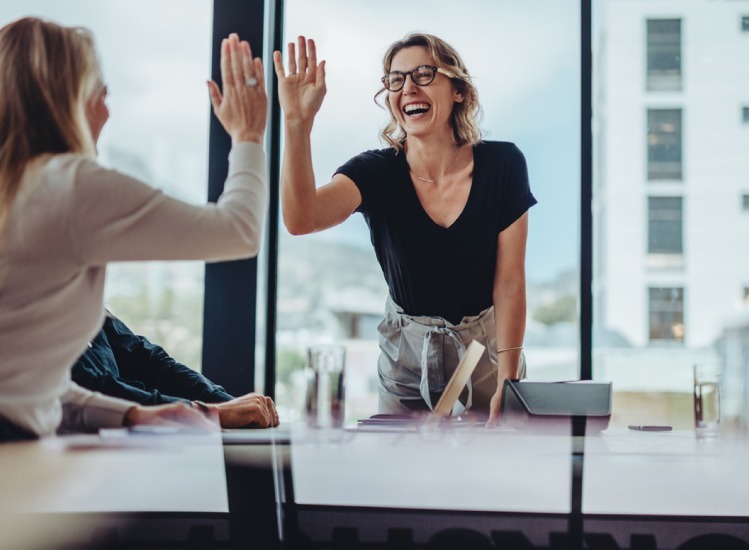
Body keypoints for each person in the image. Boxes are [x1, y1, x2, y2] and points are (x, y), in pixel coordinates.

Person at [0, 17, 269, 442]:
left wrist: (129, 414)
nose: (107, 111)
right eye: (101, 93)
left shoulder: (15, 189)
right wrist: (249, 135)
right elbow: (239, 231)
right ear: (65, 97)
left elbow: (20, 387)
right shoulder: (68, 184)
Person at [273, 33, 536, 425]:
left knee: (490, 471)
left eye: (424, 74)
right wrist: (297, 123)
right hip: (406, 357)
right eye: (395, 80)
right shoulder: (374, 172)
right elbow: (301, 219)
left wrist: (509, 378)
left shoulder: (504, 164)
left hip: (487, 353)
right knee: (401, 474)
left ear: (459, 90)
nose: (407, 87)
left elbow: (510, 282)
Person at [72, 312, 279, 428]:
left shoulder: (83, 298)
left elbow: (147, 361)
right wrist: (211, 413)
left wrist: (226, 403)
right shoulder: (44, 301)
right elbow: (86, 389)